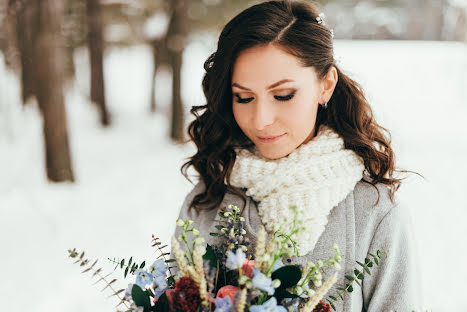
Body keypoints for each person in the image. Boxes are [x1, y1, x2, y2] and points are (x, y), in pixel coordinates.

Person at [174, 1, 424, 311]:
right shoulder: (206, 201)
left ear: (326, 85)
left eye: (283, 95)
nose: (261, 119)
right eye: (244, 97)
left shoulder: (375, 214)